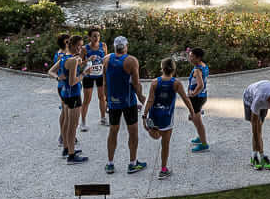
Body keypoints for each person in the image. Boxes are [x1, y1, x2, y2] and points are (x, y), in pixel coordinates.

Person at [141, 56, 196, 179]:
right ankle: (163, 169)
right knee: (165, 143)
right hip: (167, 118)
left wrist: (144, 116)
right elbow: (185, 98)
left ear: (162, 68)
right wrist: (192, 112)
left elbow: (150, 100)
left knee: (155, 136)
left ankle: (154, 132)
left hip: (154, 116)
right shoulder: (176, 83)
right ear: (173, 69)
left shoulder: (155, 82)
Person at [103, 36, 147, 175]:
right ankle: (132, 163)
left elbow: (105, 83)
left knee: (113, 131)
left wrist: (106, 100)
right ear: (126, 46)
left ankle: (110, 164)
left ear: (114, 46)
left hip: (113, 101)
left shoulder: (107, 59)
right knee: (133, 132)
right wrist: (141, 98)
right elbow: (136, 83)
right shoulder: (131, 61)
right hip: (128, 103)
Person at [48, 34, 87, 164]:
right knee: (73, 125)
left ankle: (67, 148)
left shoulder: (64, 57)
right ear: (74, 46)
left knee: (66, 122)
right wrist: (84, 74)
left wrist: (58, 78)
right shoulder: (74, 60)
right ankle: (71, 155)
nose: (81, 49)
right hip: (73, 94)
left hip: (65, 93)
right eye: (79, 46)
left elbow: (51, 71)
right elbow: (72, 82)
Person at [243, 79, 270, 171]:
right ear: (269, 106)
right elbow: (254, 127)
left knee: (260, 128)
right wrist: (261, 150)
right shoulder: (259, 99)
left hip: (263, 93)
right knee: (257, 129)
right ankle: (255, 157)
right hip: (249, 97)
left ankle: (257, 156)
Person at [79, 28, 107, 129]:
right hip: (88, 76)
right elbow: (79, 64)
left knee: (102, 98)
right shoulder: (84, 48)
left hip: (100, 75)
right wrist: (88, 59)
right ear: (90, 37)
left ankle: (103, 118)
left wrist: (105, 74)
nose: (96, 38)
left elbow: (105, 61)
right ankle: (83, 122)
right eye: (94, 36)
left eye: (98, 36)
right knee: (87, 99)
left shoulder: (103, 46)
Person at [184, 47, 210, 152]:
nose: (190, 58)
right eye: (189, 56)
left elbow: (200, 85)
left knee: (197, 122)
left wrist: (193, 94)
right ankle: (200, 136)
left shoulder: (197, 70)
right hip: (202, 97)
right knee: (194, 118)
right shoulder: (204, 65)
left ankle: (204, 144)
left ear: (198, 58)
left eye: (192, 57)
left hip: (197, 99)